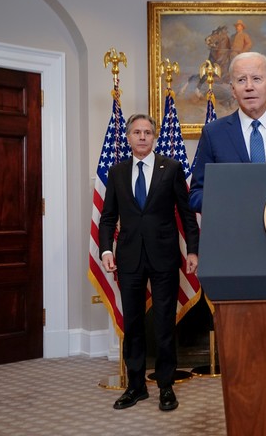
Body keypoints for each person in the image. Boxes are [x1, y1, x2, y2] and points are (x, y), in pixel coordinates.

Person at [98, 113, 199, 412]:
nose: (142, 137)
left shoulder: (172, 168)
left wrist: (192, 251)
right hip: (128, 258)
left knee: (165, 322)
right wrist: (106, 250)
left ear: (154, 137)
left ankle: (166, 386)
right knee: (133, 324)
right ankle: (136, 386)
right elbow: (107, 219)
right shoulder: (117, 172)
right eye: (137, 132)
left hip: (164, 255)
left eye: (147, 132)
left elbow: (186, 213)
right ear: (128, 137)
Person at [189, 51, 266, 212]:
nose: (249, 87)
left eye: (256, 79)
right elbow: (196, 195)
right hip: (234, 230)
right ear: (233, 90)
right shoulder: (214, 133)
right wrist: (228, 200)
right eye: (241, 80)